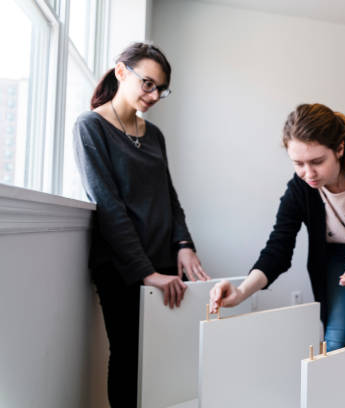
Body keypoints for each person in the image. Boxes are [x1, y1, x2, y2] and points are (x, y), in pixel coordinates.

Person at [209, 103, 345, 351]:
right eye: (298, 163)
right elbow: (278, 249)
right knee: (335, 336)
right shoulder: (298, 191)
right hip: (334, 256)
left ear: (339, 148)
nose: (308, 173)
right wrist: (241, 293)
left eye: (317, 161)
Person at [73, 42, 210, 406]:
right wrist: (145, 273)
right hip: (123, 267)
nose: (153, 95)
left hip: (163, 260)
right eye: (147, 83)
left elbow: (169, 195)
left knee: (164, 359)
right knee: (128, 358)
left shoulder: (154, 135)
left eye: (160, 89)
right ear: (121, 71)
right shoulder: (90, 126)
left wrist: (184, 245)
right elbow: (108, 205)